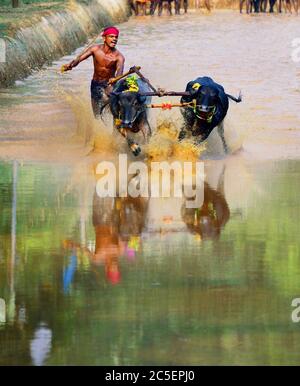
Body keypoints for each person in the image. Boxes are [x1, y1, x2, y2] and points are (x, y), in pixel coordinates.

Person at [62, 26, 125, 118]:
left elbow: (120, 72)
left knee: (109, 102)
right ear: (104, 38)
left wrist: (115, 79)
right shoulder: (94, 49)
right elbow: (79, 59)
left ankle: (115, 119)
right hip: (95, 84)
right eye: (111, 36)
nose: (114, 39)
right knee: (96, 115)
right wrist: (71, 65)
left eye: (116, 37)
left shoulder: (119, 57)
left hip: (109, 85)